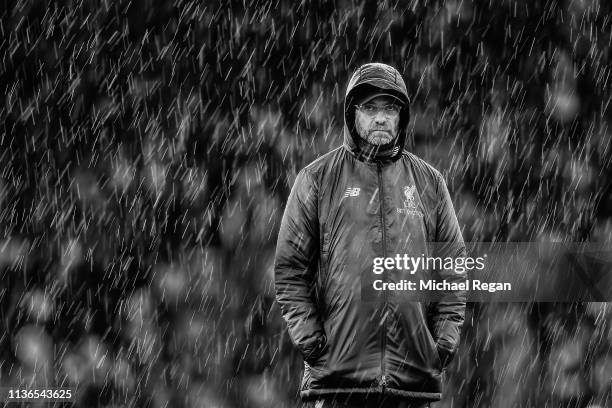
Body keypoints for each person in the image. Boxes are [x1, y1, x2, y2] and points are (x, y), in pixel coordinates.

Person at [274, 62, 467, 408]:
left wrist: (441, 343)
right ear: (352, 115)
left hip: (410, 386)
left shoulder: (430, 184)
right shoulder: (317, 180)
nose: (381, 118)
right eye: (371, 108)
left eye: (390, 108)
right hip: (336, 386)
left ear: (402, 116)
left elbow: (452, 269)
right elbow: (290, 269)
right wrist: (313, 343)